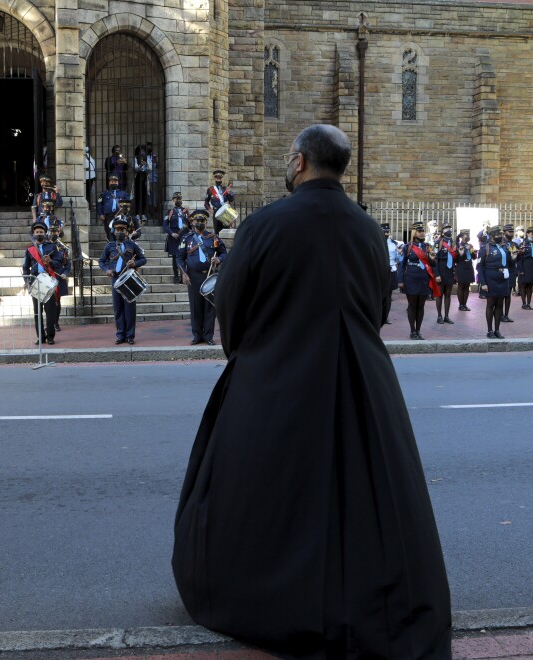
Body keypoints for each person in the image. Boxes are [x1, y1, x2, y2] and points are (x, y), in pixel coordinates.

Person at [173, 124, 451, 660]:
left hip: (276, 375)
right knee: (362, 498)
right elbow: (376, 307)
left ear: (299, 163)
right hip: (360, 380)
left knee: (267, 496)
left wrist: (255, 353)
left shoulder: (264, 224)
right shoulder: (370, 231)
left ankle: (266, 599)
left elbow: (230, 309)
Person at [177, 210, 226, 345]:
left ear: (206, 222)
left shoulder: (213, 237)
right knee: (195, 307)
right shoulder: (186, 238)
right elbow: (180, 258)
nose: (199, 223)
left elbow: (224, 253)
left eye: (202, 221)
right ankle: (197, 335)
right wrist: (183, 273)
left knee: (210, 307)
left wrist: (219, 260)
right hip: (193, 277)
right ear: (192, 222)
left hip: (210, 275)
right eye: (197, 221)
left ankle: (208, 336)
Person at [98, 216, 147, 345]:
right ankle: (120, 334)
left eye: (122, 230)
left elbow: (143, 259)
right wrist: (107, 270)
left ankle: (130, 335)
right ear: (114, 232)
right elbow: (101, 261)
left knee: (130, 309)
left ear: (127, 232)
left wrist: (134, 263)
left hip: (129, 279)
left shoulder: (132, 245)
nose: (120, 232)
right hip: (115, 280)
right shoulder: (109, 246)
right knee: (118, 308)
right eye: (117, 230)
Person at [398, 221, 442, 340]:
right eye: (420, 231)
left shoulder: (427, 246)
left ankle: (418, 330)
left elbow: (433, 264)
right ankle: (412, 331)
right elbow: (402, 264)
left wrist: (433, 260)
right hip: (411, 278)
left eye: (423, 231)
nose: (422, 233)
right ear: (414, 233)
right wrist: (400, 280)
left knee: (421, 306)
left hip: (423, 279)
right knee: (412, 306)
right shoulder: (408, 247)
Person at [23, 220, 64, 345]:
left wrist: (50, 261)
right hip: (35, 281)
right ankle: (40, 336)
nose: (39, 234)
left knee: (50, 311)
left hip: (48, 280)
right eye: (37, 232)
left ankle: (50, 336)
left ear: (45, 233)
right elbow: (25, 267)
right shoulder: (30, 249)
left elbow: (59, 263)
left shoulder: (52, 247)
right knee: (37, 312)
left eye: (41, 232)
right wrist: (27, 280)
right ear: (33, 234)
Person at [477, 226, 512, 339]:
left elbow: (509, 262)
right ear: (492, 236)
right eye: (498, 235)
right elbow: (480, 267)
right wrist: (483, 283)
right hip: (490, 279)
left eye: (501, 234)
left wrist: (514, 257)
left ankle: (497, 330)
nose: (500, 236)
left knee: (499, 305)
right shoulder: (485, 248)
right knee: (490, 304)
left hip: (503, 279)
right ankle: (490, 330)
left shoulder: (505, 247)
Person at [433, 223, 457, 324]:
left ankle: (446, 316)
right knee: (439, 295)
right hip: (441, 270)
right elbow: (434, 260)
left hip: (450, 271)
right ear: (442, 231)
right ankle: (439, 316)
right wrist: (437, 274)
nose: (449, 230)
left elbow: (456, 257)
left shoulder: (454, 243)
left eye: (449, 228)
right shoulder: (438, 243)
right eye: (446, 228)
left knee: (448, 295)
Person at [49, 223, 71, 332]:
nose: (53, 234)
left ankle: (56, 323)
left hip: (59, 276)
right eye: (51, 232)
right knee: (48, 301)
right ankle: (49, 322)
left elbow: (67, 264)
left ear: (59, 233)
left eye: (55, 232)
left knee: (57, 301)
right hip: (48, 276)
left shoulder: (63, 248)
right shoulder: (44, 246)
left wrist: (65, 273)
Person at [164, 192, 190, 284]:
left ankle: (184, 275)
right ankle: (176, 276)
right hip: (174, 238)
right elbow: (165, 225)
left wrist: (188, 224)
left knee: (184, 256)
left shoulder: (185, 212)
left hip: (184, 237)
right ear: (172, 200)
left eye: (179, 199)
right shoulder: (170, 212)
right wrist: (171, 233)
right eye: (176, 199)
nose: (178, 200)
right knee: (175, 257)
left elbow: (190, 224)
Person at [203, 169, 235, 237]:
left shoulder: (225, 189)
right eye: (217, 178)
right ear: (215, 178)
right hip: (216, 211)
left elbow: (231, 202)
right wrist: (209, 209)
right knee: (217, 231)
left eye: (220, 178)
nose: (218, 180)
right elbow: (206, 202)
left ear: (221, 179)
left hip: (225, 211)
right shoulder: (210, 189)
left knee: (226, 230)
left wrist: (229, 193)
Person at [97, 175, 129, 239]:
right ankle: (112, 246)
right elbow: (99, 204)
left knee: (119, 231)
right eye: (112, 181)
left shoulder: (123, 193)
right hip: (108, 216)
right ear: (109, 183)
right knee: (109, 232)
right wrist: (101, 214)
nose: (113, 183)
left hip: (119, 216)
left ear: (118, 183)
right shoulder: (104, 193)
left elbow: (127, 204)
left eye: (115, 181)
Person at [383, 223, 403, 324]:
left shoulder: (393, 243)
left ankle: (386, 316)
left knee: (389, 295)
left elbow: (397, 257)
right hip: (381, 270)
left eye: (388, 232)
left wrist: (400, 256)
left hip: (392, 269)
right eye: (385, 232)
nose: (387, 233)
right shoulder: (377, 241)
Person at [517, 226, 533, 311]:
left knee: (530, 285)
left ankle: (529, 303)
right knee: (523, 285)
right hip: (525, 265)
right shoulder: (523, 244)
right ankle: (523, 303)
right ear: (527, 234)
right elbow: (519, 258)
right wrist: (521, 269)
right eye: (531, 233)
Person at [455, 228, 477, 312]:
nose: (467, 236)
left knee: (467, 286)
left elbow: (474, 258)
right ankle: (461, 305)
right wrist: (464, 249)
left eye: (468, 234)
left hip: (469, 267)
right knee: (461, 286)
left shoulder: (469, 245)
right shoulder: (458, 245)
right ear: (461, 236)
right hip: (461, 266)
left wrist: (473, 251)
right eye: (466, 234)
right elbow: (457, 259)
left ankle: (465, 304)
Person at [501, 223, 518, 323]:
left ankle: (506, 314)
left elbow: (515, 260)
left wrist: (516, 256)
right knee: (501, 295)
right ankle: (500, 314)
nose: (511, 234)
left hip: (511, 271)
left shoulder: (513, 244)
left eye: (512, 232)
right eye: (509, 232)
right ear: (504, 232)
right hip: (502, 271)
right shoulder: (501, 244)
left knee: (508, 294)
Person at [132, 144, 150, 219]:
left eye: (143, 151)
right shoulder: (135, 159)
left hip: (145, 179)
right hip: (138, 178)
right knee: (137, 196)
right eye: (141, 151)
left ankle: (143, 213)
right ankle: (136, 213)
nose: (142, 153)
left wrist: (147, 164)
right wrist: (140, 166)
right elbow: (135, 168)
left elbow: (150, 168)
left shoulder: (147, 158)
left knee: (144, 196)